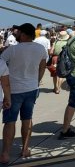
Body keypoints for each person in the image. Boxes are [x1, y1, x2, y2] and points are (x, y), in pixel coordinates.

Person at [0, 23, 47, 162]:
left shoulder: (13, 50)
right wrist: (37, 80)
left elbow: (2, 65)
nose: (17, 34)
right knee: (27, 119)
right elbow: (43, 65)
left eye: (19, 32)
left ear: (24, 34)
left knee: (10, 121)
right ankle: (25, 149)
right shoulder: (40, 49)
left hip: (14, 90)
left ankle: (5, 154)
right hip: (31, 88)